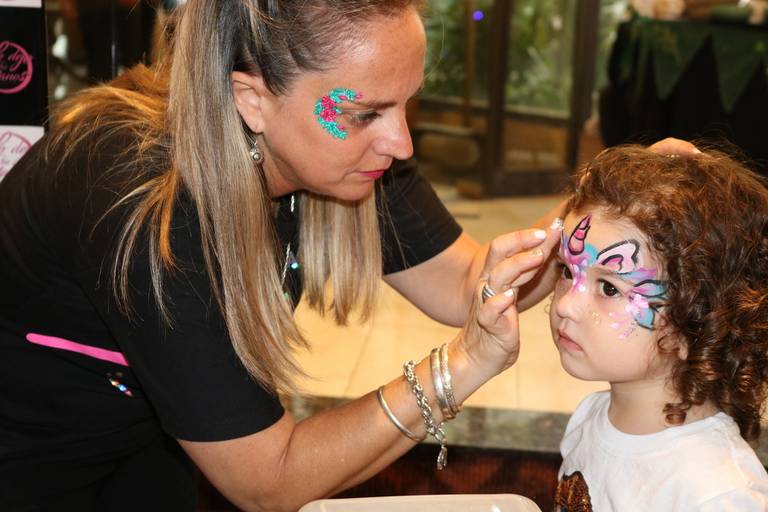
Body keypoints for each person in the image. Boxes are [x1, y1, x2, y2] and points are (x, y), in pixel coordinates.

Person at [0, 1, 694, 510]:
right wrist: (461, 364)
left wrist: (596, 209)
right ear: (252, 99)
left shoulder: (347, 150)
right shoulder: (142, 198)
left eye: (406, 106)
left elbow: (468, 284)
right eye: (365, 114)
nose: (400, 143)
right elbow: (267, 478)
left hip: (146, 442)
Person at [550, 146, 768, 511]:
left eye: (609, 288)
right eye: (567, 272)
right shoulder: (590, 418)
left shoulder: (717, 493)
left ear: (697, 321)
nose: (564, 305)